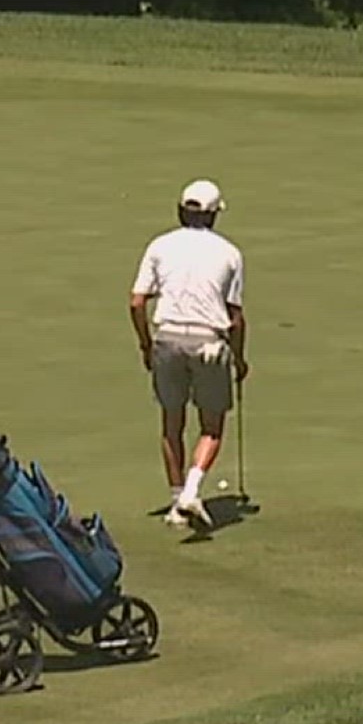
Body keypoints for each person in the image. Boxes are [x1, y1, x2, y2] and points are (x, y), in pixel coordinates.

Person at [128, 179, 248, 529]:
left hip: (166, 338)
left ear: (181, 211)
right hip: (209, 341)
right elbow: (235, 318)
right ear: (213, 217)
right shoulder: (230, 253)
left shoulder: (159, 245)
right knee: (211, 427)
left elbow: (137, 301)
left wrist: (146, 345)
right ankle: (191, 491)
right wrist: (239, 360)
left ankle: (176, 502)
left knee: (171, 423)